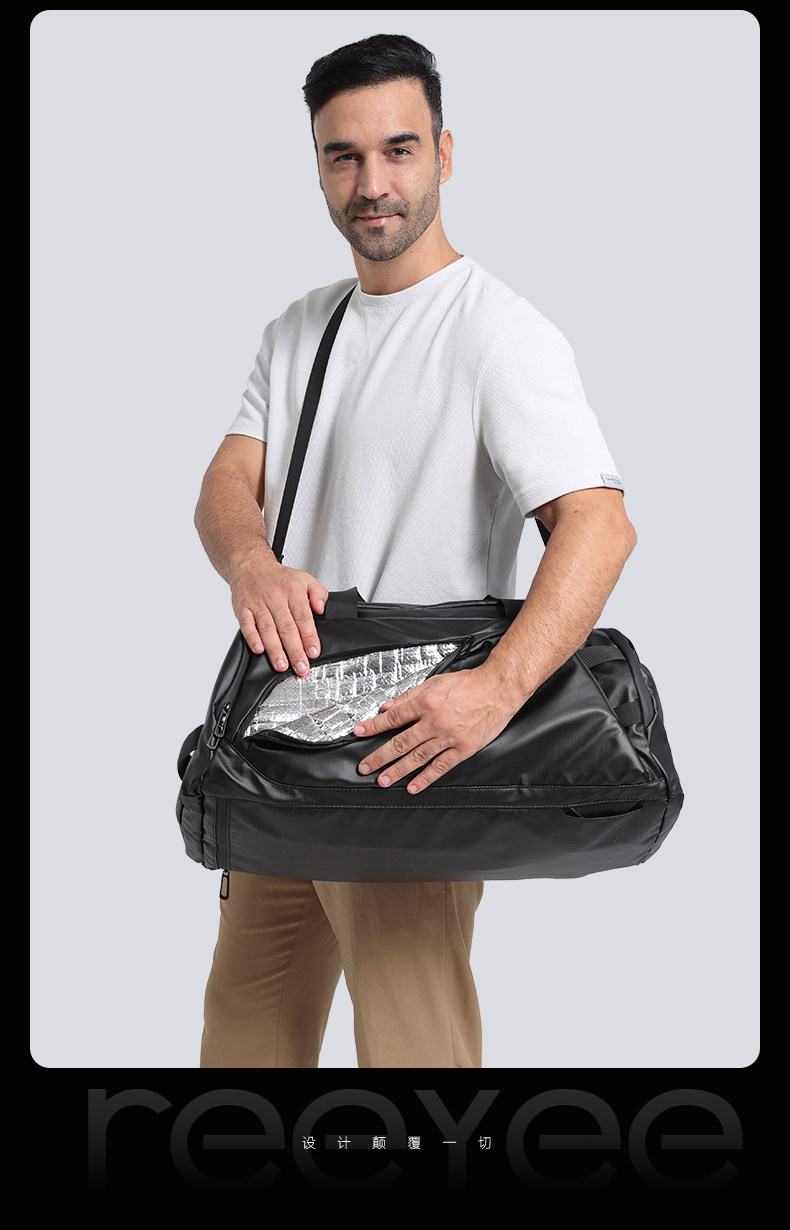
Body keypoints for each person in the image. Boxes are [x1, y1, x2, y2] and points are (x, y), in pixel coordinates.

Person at [195, 33, 637, 1069]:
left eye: (398, 150)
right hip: (283, 744)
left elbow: (599, 524)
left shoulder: (498, 334)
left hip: (406, 755)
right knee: (240, 1051)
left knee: (415, 1061)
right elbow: (225, 484)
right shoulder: (301, 328)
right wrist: (253, 565)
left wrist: (495, 693)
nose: (372, 184)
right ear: (317, 167)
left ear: (443, 153)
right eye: (343, 156)